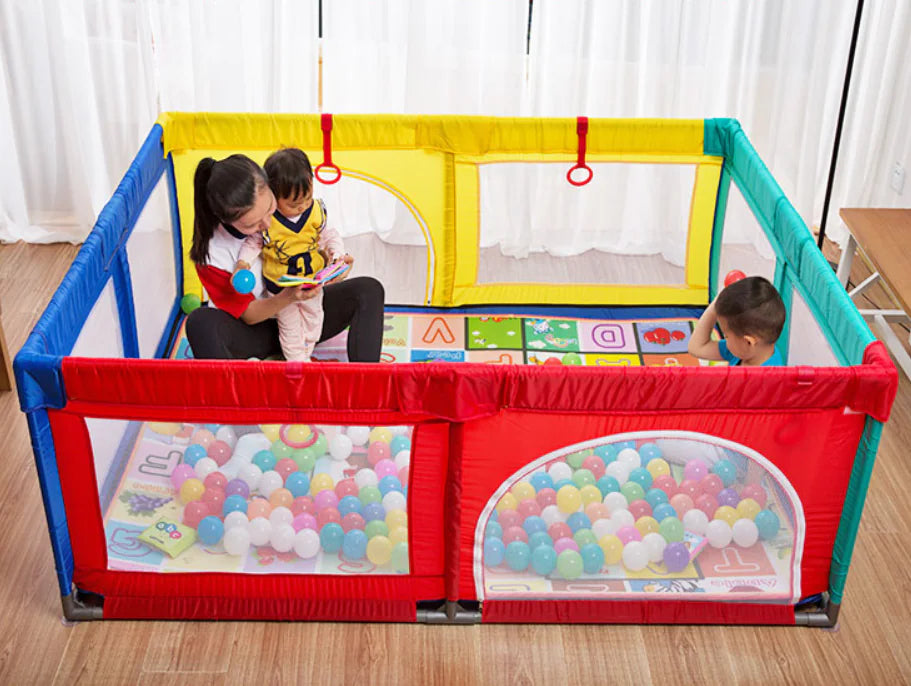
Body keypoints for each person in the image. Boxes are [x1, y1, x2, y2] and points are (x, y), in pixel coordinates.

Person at [186, 154, 384, 361]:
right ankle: (246, 385)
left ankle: (366, 383)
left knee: (369, 290)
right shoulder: (211, 254)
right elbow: (249, 315)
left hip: (304, 319)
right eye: (252, 224)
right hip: (257, 332)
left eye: (270, 209)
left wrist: (331, 266)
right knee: (200, 323)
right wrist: (288, 296)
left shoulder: (291, 208)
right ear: (224, 219)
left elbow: (311, 249)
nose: (268, 225)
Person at [235, 148, 345, 362]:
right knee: (290, 329)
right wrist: (242, 264)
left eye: (307, 198)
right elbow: (253, 242)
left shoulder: (315, 211)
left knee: (315, 322)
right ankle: (298, 364)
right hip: (281, 289)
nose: (302, 206)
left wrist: (337, 255)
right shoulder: (268, 220)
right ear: (274, 197)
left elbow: (330, 234)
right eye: (294, 205)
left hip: (312, 283)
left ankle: (304, 353)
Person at [688, 276, 785, 367]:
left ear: (748, 342)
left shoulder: (768, 381)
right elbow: (696, 347)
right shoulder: (744, 352)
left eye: (726, 335)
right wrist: (718, 303)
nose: (725, 339)